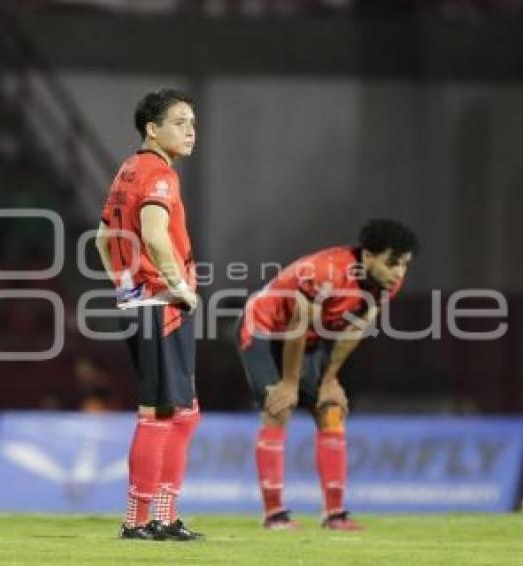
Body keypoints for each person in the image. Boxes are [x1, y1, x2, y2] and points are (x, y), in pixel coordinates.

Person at [237, 219, 418, 531]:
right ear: (369, 256)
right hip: (266, 329)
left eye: (404, 264)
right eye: (392, 263)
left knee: (331, 409)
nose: (399, 273)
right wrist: (291, 385)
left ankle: (334, 514)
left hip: (308, 339)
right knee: (278, 407)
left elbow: (355, 329)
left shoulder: (386, 283)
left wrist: (330, 379)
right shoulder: (326, 272)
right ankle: (274, 514)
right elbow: (297, 325)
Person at [95, 88, 202, 541]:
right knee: (160, 414)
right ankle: (139, 520)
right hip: (163, 304)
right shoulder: (159, 174)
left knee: (181, 412)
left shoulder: (127, 170)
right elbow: (156, 236)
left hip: (142, 301)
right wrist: (178, 287)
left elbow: (103, 238)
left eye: (193, 122)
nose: (191, 130)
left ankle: (159, 515)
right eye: (180, 122)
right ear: (152, 129)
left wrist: (124, 286)